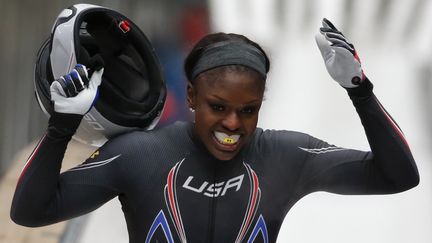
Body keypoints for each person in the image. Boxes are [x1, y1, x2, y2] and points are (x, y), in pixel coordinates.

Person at [11, 18, 419, 243]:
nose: (232, 124)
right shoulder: (140, 154)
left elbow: (398, 176)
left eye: (248, 110)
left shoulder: (286, 156)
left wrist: (360, 91)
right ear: (191, 97)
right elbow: (30, 211)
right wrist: (61, 125)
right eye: (218, 107)